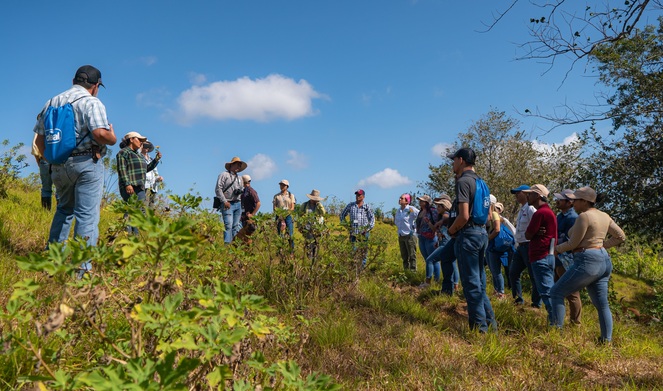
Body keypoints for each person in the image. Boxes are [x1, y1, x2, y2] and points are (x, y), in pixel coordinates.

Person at [33, 65, 117, 277]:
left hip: (58, 165)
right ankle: (81, 272)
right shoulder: (91, 102)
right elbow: (99, 133)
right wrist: (113, 137)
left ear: (73, 81)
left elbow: (40, 139)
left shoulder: (51, 102)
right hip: (86, 163)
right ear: (96, 86)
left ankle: (51, 264)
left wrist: (52, 160)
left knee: (63, 211)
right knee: (87, 216)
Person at [552, 187, 626, 343]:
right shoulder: (604, 215)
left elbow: (573, 243)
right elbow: (620, 236)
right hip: (604, 260)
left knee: (556, 292)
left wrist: (557, 249)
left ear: (584, 201)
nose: (573, 203)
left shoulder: (584, 216)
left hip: (587, 260)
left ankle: (555, 334)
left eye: (576, 200)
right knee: (602, 304)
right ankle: (606, 341)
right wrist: (601, 246)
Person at [446, 148, 496, 332]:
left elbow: (464, 216)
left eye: (453, 160)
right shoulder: (482, 183)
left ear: (461, 160)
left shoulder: (463, 182)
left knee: (471, 285)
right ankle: (492, 327)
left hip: (468, 236)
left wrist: (451, 230)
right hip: (482, 234)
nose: (452, 164)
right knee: (480, 284)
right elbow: (490, 216)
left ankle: (480, 331)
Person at [522, 184, 558, 325]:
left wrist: (533, 232)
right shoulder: (547, 212)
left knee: (546, 291)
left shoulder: (541, 213)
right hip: (547, 255)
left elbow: (528, 234)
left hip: (540, 256)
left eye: (530, 194)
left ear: (537, 195)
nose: (527, 196)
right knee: (547, 289)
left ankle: (556, 323)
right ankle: (555, 321)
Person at [116, 131, 162, 234]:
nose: (141, 143)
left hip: (140, 187)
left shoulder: (139, 155)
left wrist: (156, 160)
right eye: (139, 140)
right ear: (131, 139)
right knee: (130, 209)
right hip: (130, 187)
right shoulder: (124, 152)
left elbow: (146, 168)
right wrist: (127, 184)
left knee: (137, 212)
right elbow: (122, 169)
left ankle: (135, 236)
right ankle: (126, 233)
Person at [509, 184, 542, 308]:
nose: (517, 196)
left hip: (529, 245)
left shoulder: (530, 209)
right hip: (520, 246)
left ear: (526, 193)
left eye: (519, 193)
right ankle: (518, 299)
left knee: (534, 275)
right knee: (513, 272)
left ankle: (536, 303)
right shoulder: (522, 209)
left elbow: (537, 225)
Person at [552, 189, 582, 324]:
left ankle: (576, 323)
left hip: (567, 259)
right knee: (556, 290)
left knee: (572, 293)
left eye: (561, 199)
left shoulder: (573, 218)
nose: (557, 201)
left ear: (569, 202)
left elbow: (572, 240)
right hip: (558, 257)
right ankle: (558, 320)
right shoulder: (560, 216)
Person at [428, 195, 460, 294]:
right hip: (445, 242)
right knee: (452, 263)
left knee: (430, 259)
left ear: (444, 206)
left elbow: (447, 217)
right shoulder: (443, 215)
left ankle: (428, 282)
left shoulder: (446, 214)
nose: (437, 208)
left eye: (439, 206)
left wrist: (441, 221)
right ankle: (454, 286)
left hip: (447, 243)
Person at [340, 189, 375, 268]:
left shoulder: (367, 207)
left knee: (363, 252)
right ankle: (353, 268)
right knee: (353, 251)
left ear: (363, 197)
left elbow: (372, 219)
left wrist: (367, 229)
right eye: (356, 195)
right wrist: (347, 226)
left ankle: (362, 268)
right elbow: (342, 215)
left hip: (364, 234)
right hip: (353, 233)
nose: (357, 197)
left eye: (359, 195)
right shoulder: (351, 205)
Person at [215, 157, 246, 243]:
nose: (238, 167)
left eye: (240, 165)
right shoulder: (224, 175)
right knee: (228, 225)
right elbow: (218, 189)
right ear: (231, 165)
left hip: (238, 203)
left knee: (236, 226)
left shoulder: (240, 178)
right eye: (237, 164)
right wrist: (224, 201)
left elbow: (241, 189)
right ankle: (227, 245)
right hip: (227, 203)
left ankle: (235, 246)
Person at [487, 194, 510, 299]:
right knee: (493, 270)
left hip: (493, 245)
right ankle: (497, 291)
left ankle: (500, 292)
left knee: (496, 271)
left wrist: (487, 239)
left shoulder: (494, 214)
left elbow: (497, 229)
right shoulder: (489, 214)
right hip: (491, 246)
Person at [416, 195, 439, 287]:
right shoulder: (421, 212)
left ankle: (435, 280)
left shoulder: (432, 211)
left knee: (433, 259)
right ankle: (431, 280)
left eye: (422, 201)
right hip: (422, 237)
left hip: (430, 237)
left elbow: (436, 222)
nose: (420, 202)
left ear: (427, 202)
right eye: (420, 200)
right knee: (427, 259)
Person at [299, 189, 327, 262]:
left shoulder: (319, 206)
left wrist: (319, 205)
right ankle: (309, 259)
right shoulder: (305, 205)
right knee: (309, 244)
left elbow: (324, 213)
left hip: (317, 228)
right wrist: (300, 226)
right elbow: (300, 215)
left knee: (316, 244)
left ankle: (314, 260)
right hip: (308, 228)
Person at [394, 194, 419, 271]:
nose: (400, 199)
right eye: (400, 198)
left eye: (402, 198)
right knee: (404, 255)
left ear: (407, 201)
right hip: (401, 235)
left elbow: (420, 215)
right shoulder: (398, 211)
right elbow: (396, 221)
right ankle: (406, 271)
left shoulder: (411, 209)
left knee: (412, 255)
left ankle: (413, 271)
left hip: (410, 235)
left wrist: (415, 226)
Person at [31, 133, 54, 210]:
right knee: (60, 188)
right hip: (57, 160)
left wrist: (39, 162)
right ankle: (61, 212)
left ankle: (46, 211)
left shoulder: (39, 131)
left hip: (43, 160)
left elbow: (35, 146)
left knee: (46, 188)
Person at [273, 179, 296, 251]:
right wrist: (280, 216)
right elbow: (274, 208)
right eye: (281, 185)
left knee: (290, 234)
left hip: (288, 216)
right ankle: (280, 251)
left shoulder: (291, 195)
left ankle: (291, 251)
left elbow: (292, 207)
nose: (281, 186)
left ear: (287, 186)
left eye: (283, 185)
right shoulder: (276, 196)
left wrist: (286, 214)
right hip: (279, 216)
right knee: (280, 235)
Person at [140, 141, 163, 208]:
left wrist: (159, 178)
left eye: (148, 147)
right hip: (144, 185)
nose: (147, 148)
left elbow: (155, 173)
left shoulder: (151, 159)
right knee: (144, 206)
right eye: (145, 146)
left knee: (151, 207)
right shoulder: (139, 157)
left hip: (153, 186)